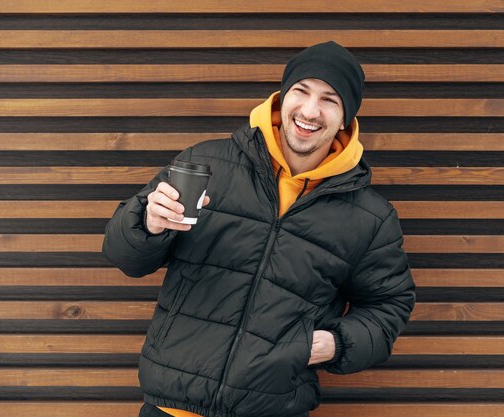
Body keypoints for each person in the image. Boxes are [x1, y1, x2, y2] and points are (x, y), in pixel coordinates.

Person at [102, 41, 416, 417]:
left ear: (346, 118)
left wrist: (329, 345)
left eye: (330, 99)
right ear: (282, 97)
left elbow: (389, 306)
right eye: (301, 91)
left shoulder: (370, 217)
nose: (310, 110)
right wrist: (148, 223)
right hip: (169, 408)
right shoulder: (206, 165)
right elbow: (124, 256)